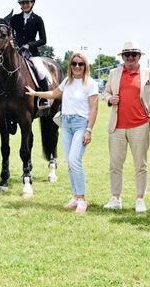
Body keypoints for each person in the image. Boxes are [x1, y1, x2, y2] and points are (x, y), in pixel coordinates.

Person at [26, 52, 99, 213]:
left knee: (74, 161)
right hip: (66, 125)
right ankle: (75, 197)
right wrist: (35, 93)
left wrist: (89, 130)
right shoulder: (67, 81)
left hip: (81, 125)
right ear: (70, 65)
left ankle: (82, 199)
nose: (77, 67)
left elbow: (94, 108)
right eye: (74, 64)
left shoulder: (91, 84)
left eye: (80, 64)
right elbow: (54, 94)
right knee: (70, 163)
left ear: (85, 66)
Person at [102, 41, 150, 212]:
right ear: (122, 57)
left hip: (140, 125)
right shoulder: (114, 73)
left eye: (134, 54)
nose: (130, 58)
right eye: (127, 54)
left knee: (141, 165)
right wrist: (109, 99)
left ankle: (140, 200)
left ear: (139, 56)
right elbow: (106, 92)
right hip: (117, 126)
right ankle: (115, 198)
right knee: (115, 164)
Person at [0, 0, 50, 112]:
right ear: (20, 4)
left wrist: (29, 45)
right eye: (22, 3)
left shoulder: (38, 19)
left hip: (32, 53)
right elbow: (5, 30)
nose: (25, 5)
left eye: (27, 2)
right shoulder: (15, 18)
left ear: (32, 3)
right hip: (17, 52)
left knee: (41, 71)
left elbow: (43, 40)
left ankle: (44, 99)